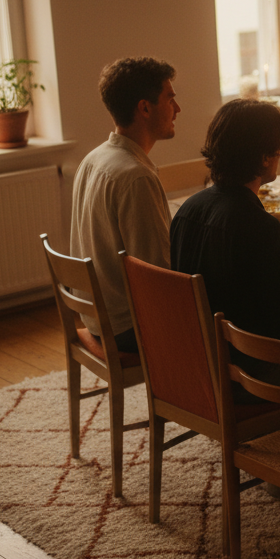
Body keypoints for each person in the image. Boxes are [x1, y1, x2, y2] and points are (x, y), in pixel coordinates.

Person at [169, 99, 280, 396]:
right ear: (265, 157)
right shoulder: (258, 225)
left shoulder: (186, 210)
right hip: (253, 372)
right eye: (278, 149)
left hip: (202, 361)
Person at [70, 56, 179, 353]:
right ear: (144, 108)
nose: (178, 109)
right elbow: (158, 274)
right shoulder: (135, 176)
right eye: (170, 99)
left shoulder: (94, 158)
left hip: (95, 315)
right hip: (127, 326)